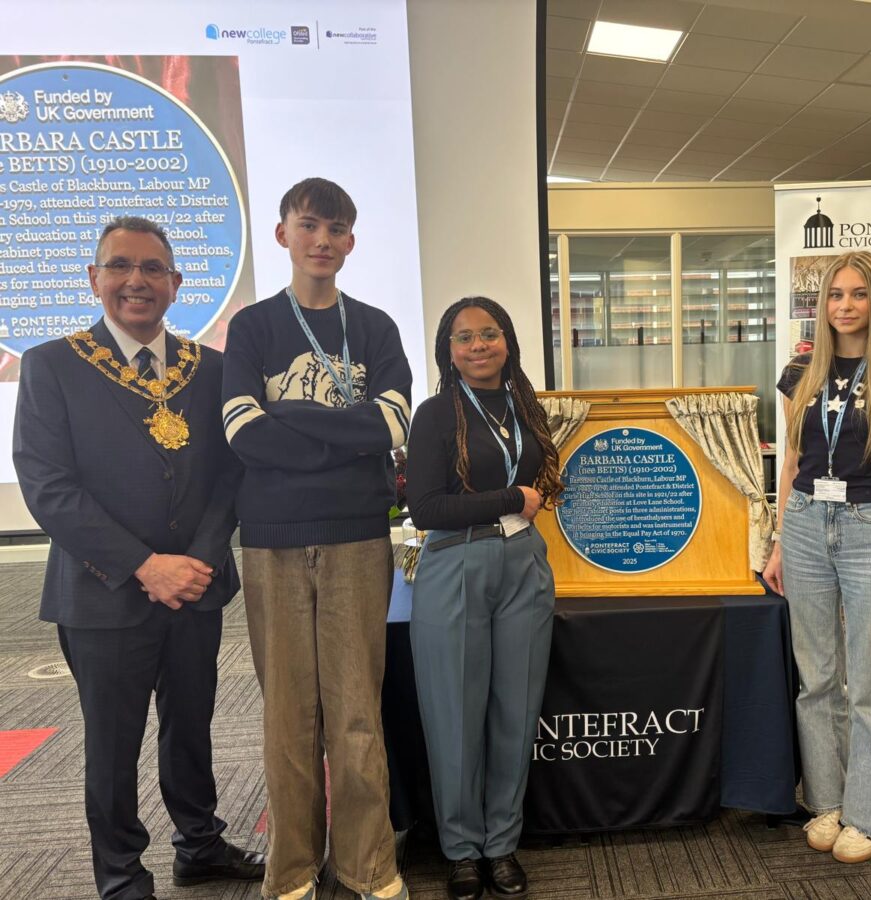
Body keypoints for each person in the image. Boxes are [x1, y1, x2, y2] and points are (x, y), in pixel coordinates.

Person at [13, 215, 263, 900]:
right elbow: (48, 488)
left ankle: (199, 844)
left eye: (153, 268)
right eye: (120, 266)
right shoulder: (51, 365)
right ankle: (121, 874)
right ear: (94, 279)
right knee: (112, 743)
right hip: (103, 594)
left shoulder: (210, 370)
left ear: (177, 284)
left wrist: (199, 562)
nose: (136, 281)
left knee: (192, 725)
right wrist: (147, 566)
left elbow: (230, 475)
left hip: (196, 586)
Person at [221, 179, 412, 900]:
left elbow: (393, 426)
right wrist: (345, 438)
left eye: (336, 229)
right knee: (289, 715)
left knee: (357, 710)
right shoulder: (253, 327)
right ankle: (293, 868)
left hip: (357, 538)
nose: (322, 240)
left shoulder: (374, 328)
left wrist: (290, 418)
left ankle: (367, 864)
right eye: (309, 226)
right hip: (271, 540)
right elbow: (241, 428)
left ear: (351, 242)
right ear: (283, 236)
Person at [763, 250, 871, 864]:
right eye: (835, 295)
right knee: (816, 678)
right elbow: (792, 464)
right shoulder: (798, 373)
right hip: (807, 522)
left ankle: (870, 815)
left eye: (858, 294)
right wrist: (780, 540)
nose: (845, 306)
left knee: (869, 683)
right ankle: (828, 801)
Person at [405, 297, 562, 900]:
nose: (478, 346)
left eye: (489, 334)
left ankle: (502, 843)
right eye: (464, 337)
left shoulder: (526, 405)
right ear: (449, 349)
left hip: (524, 562)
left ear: (508, 341)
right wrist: (510, 499)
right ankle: (462, 850)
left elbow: (542, 482)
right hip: (457, 562)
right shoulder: (435, 413)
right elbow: (426, 507)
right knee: (455, 716)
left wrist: (533, 497)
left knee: (515, 712)